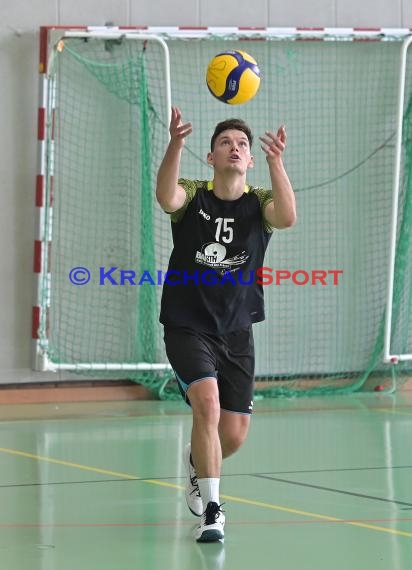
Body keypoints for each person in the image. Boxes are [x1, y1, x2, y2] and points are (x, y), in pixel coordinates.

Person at [156, 107, 296, 542]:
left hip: (236, 330)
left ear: (249, 160)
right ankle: (213, 512)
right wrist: (175, 144)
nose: (234, 148)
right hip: (186, 325)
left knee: (232, 436)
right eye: (225, 143)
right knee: (208, 406)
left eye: (242, 145)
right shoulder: (193, 195)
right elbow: (166, 197)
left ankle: (196, 461)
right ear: (210, 157)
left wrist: (277, 164)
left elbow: (288, 217)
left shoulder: (259, 203)